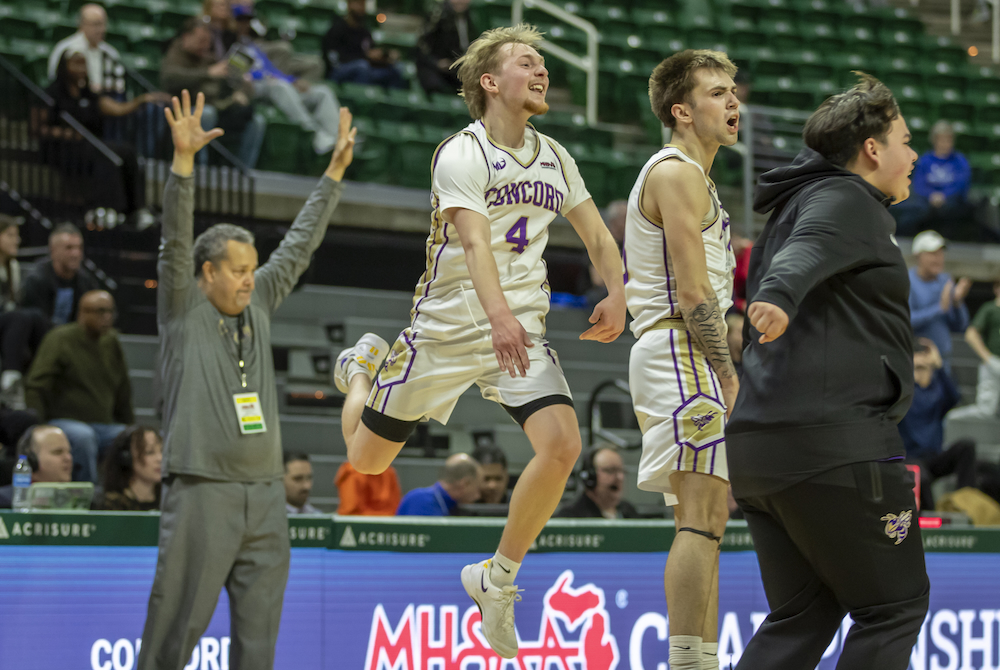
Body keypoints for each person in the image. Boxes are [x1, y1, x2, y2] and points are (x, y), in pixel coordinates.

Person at [334, 24, 626, 659]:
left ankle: (497, 578)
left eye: (544, 63)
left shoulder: (555, 155)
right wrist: (496, 316)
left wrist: (619, 291)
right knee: (367, 460)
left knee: (562, 444)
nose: (542, 71)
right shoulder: (460, 153)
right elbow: (472, 243)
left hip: (519, 329)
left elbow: (598, 236)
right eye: (528, 62)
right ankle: (361, 369)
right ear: (490, 82)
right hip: (447, 327)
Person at [135, 90, 355, 670]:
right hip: (202, 489)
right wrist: (183, 166)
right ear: (207, 274)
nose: (248, 281)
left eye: (251, 270)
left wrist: (331, 176)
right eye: (236, 271)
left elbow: (300, 244)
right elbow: (175, 239)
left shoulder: (258, 300)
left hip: (266, 496)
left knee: (258, 649)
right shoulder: (184, 306)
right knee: (172, 634)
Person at [727, 73, 929, 669]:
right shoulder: (843, 199)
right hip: (834, 446)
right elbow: (806, 252)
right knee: (893, 608)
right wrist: (780, 295)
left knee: (805, 615)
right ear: (873, 148)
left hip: (762, 451)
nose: (912, 154)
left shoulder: (800, 199)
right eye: (905, 140)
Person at [622, 49, 739, 670]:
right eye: (717, 93)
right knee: (702, 514)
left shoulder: (697, 177)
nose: (733, 102)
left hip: (677, 346)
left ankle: (702, 658)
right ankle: (688, 663)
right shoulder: (675, 172)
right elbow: (693, 292)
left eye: (732, 90)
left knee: (706, 517)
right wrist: (725, 369)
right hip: (680, 345)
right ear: (681, 110)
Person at [40, 51, 169, 225]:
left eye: (83, 64)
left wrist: (142, 99)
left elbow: (118, 108)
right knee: (106, 154)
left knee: (128, 152)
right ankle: (109, 208)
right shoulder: (52, 93)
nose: (81, 69)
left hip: (90, 145)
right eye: (76, 64)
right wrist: (66, 134)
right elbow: (39, 129)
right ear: (64, 67)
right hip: (62, 148)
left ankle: (137, 209)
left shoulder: (88, 94)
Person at [24, 290, 132, 483]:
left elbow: (123, 389)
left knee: (130, 439)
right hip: (63, 421)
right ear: (83, 312)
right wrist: (38, 426)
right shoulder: (60, 339)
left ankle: (121, 498)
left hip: (104, 425)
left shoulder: (111, 341)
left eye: (110, 312)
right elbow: (37, 384)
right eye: (100, 311)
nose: (107, 317)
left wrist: (131, 426)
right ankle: (87, 500)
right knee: (83, 437)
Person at [232, 1, 341, 155]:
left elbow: (271, 70)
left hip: (272, 85)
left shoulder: (253, 45)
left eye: (247, 20)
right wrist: (268, 77)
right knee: (280, 86)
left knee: (322, 92)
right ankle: (314, 133)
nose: (244, 24)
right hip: (252, 88)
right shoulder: (230, 42)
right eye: (240, 20)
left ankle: (338, 139)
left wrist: (292, 80)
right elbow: (238, 73)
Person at [161, 18, 266, 169]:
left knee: (257, 121)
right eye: (201, 40)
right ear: (186, 37)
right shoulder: (176, 53)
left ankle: (241, 171)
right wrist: (208, 73)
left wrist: (242, 89)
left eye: (208, 41)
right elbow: (170, 78)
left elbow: (229, 83)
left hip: (217, 107)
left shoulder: (208, 56)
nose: (205, 46)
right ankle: (201, 169)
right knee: (206, 113)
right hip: (184, 109)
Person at [899, 339, 977, 510]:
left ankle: (966, 505)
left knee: (967, 447)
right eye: (917, 368)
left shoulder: (937, 396)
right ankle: (933, 522)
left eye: (925, 368)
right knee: (921, 477)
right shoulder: (904, 396)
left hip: (934, 458)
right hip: (911, 459)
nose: (921, 373)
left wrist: (939, 365)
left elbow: (954, 396)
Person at [890, 120, 973, 237]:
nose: (945, 144)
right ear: (934, 140)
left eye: (948, 140)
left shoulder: (959, 161)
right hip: (927, 201)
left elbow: (961, 183)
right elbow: (919, 184)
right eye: (942, 140)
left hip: (951, 202)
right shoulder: (925, 160)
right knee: (912, 211)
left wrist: (944, 195)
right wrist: (931, 195)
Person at [0, 216, 49, 410]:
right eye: (10, 235)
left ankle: (42, 373)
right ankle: (10, 377)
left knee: (36, 317)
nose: (17, 240)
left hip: (6, 318)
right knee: (21, 317)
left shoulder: (13, 267)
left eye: (17, 235)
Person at [908, 229, 970, 367]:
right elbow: (905, 320)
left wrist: (957, 302)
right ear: (918, 256)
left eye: (941, 253)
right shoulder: (907, 281)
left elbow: (961, 326)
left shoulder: (945, 281)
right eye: (932, 254)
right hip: (916, 361)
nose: (939, 258)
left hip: (943, 360)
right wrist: (939, 308)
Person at [20, 224, 100, 328]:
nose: (75, 253)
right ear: (53, 251)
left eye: (79, 248)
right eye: (69, 248)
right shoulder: (36, 280)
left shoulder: (87, 283)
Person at [322, 0, 405, 89]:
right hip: (340, 71)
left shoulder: (365, 32)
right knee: (362, 66)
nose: (361, 8)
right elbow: (333, 60)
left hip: (364, 67)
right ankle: (360, 100)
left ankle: (387, 102)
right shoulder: (337, 29)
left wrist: (385, 56)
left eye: (363, 4)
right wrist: (365, 57)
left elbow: (371, 52)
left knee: (395, 69)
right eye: (358, 3)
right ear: (349, 5)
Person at [948, 278, 1000, 420]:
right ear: (996, 289)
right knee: (985, 410)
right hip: (993, 364)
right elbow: (971, 334)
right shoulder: (990, 309)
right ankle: (951, 419)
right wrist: (989, 359)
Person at [47, 4, 120, 93]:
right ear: (82, 24)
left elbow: (118, 85)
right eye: (96, 24)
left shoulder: (111, 53)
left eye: (103, 24)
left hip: (105, 100)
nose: (101, 29)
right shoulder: (66, 49)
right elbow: (54, 79)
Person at [0, 425, 74, 508]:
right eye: (58, 452)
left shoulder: (83, 502)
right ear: (31, 461)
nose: (68, 458)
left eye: (69, 452)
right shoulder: (4, 503)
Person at [93, 426, 163, 511]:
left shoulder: (171, 502)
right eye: (149, 452)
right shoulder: (110, 505)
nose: (160, 458)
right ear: (126, 457)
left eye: (162, 451)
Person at [556, 446, 638, 519]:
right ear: (590, 477)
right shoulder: (570, 517)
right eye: (610, 470)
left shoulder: (629, 512)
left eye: (622, 471)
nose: (620, 477)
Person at [415, 0, 475, 95]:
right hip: (433, 66)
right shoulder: (437, 16)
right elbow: (421, 45)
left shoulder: (469, 17)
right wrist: (437, 63)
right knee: (436, 86)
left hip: (456, 66)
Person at [396, 453, 482, 515]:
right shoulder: (421, 501)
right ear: (465, 483)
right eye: (477, 488)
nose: (478, 496)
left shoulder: (452, 505)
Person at [334, 460, 401, 515]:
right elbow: (351, 511)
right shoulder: (352, 472)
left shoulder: (389, 472)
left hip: (386, 525)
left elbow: (395, 508)